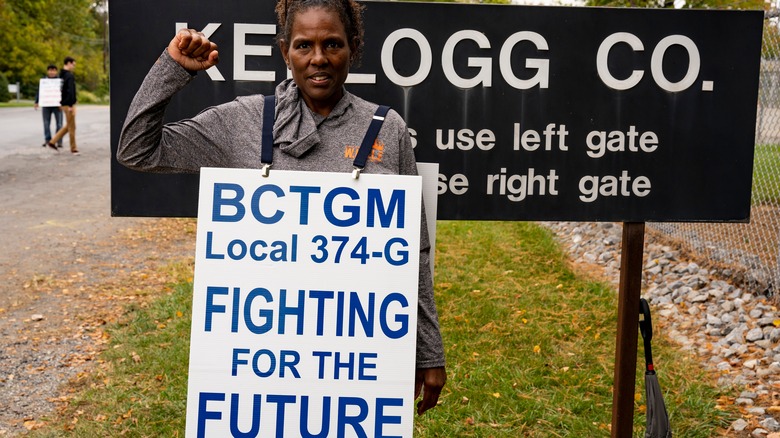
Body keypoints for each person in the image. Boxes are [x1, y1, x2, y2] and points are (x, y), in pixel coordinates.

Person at [118, 0, 447, 415]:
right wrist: (173, 68)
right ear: (284, 51)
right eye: (303, 46)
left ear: (354, 48)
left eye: (332, 44)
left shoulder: (386, 128)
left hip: (356, 359)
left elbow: (413, 251)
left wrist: (428, 351)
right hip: (264, 363)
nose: (318, 59)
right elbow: (137, 151)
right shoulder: (244, 121)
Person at [46, 56, 78, 155]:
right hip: (68, 104)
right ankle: (73, 148)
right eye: (73, 64)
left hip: (64, 103)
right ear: (68, 63)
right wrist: (71, 104)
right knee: (71, 127)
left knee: (69, 125)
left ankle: (52, 141)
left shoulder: (61, 76)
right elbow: (70, 91)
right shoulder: (69, 76)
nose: (73, 66)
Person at [34, 64, 63, 149]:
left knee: (59, 124)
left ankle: (58, 141)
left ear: (56, 71)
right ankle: (48, 140)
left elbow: (63, 93)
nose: (52, 72)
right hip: (46, 105)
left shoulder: (60, 81)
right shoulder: (44, 81)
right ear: (47, 71)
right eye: (50, 70)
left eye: (54, 70)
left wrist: (63, 103)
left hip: (57, 105)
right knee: (46, 123)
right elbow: (39, 92)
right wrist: (36, 102)